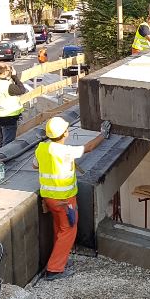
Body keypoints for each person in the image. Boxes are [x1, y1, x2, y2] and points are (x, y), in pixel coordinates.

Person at [33, 116, 108, 279]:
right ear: (64, 133)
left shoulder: (41, 148)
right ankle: (54, 269)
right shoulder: (65, 151)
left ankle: (59, 260)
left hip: (50, 199)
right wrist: (103, 134)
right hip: (64, 200)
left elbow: (35, 165)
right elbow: (88, 147)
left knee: (59, 229)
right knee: (68, 231)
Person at [0, 63, 26, 148]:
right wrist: (14, 77)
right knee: (8, 143)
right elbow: (22, 90)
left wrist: (7, 78)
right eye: (8, 70)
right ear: (4, 73)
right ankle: (4, 160)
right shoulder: (7, 86)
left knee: (2, 138)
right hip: (8, 117)